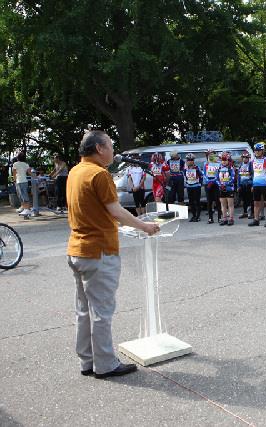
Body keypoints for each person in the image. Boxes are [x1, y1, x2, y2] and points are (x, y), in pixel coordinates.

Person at [66, 130, 159, 379]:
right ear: (99, 149)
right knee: (102, 312)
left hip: (77, 250)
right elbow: (116, 210)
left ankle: (87, 361)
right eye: (110, 145)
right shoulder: (99, 173)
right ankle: (105, 365)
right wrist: (144, 226)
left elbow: (91, 210)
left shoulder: (75, 171)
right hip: (98, 251)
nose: (113, 151)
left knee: (84, 310)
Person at [248, 142, 266, 227]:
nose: (257, 152)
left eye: (259, 150)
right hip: (256, 184)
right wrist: (252, 184)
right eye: (255, 150)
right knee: (256, 203)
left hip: (265, 184)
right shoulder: (252, 161)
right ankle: (256, 219)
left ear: (262, 151)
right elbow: (251, 173)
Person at [203, 150, 222, 224]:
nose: (211, 156)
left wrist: (214, 180)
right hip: (208, 183)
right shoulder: (206, 164)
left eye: (212, 155)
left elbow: (220, 174)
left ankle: (220, 218)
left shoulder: (218, 164)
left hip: (216, 183)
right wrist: (208, 181)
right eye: (209, 155)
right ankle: (210, 218)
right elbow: (204, 174)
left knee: (217, 201)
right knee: (209, 202)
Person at [216, 153, 235, 225]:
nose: (223, 161)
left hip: (229, 188)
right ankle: (224, 219)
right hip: (221, 188)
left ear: (228, 160)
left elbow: (233, 178)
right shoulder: (219, 168)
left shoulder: (231, 168)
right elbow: (216, 178)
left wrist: (225, 184)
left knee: (230, 204)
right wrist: (220, 184)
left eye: (225, 160)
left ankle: (231, 219)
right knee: (223, 204)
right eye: (222, 160)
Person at [13, 152, 33, 217]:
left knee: (22, 195)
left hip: (19, 181)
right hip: (25, 181)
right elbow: (29, 173)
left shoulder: (15, 164)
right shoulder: (26, 164)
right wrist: (35, 176)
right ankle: (25, 208)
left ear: (18, 157)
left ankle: (26, 209)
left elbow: (14, 173)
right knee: (24, 195)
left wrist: (14, 180)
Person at [183, 153, 203, 222]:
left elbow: (201, 176)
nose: (190, 161)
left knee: (197, 201)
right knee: (191, 202)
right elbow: (185, 177)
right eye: (188, 160)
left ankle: (198, 216)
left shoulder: (197, 168)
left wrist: (200, 183)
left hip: (196, 186)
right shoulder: (185, 169)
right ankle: (194, 215)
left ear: (193, 161)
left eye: (191, 160)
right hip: (189, 187)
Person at [237, 151, 253, 219]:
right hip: (242, 184)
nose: (245, 159)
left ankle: (252, 213)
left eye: (246, 157)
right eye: (244, 157)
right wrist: (238, 185)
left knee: (251, 199)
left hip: (249, 184)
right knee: (244, 200)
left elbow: (253, 175)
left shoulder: (250, 165)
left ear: (249, 158)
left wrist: (252, 185)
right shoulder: (241, 165)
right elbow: (239, 176)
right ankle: (245, 212)